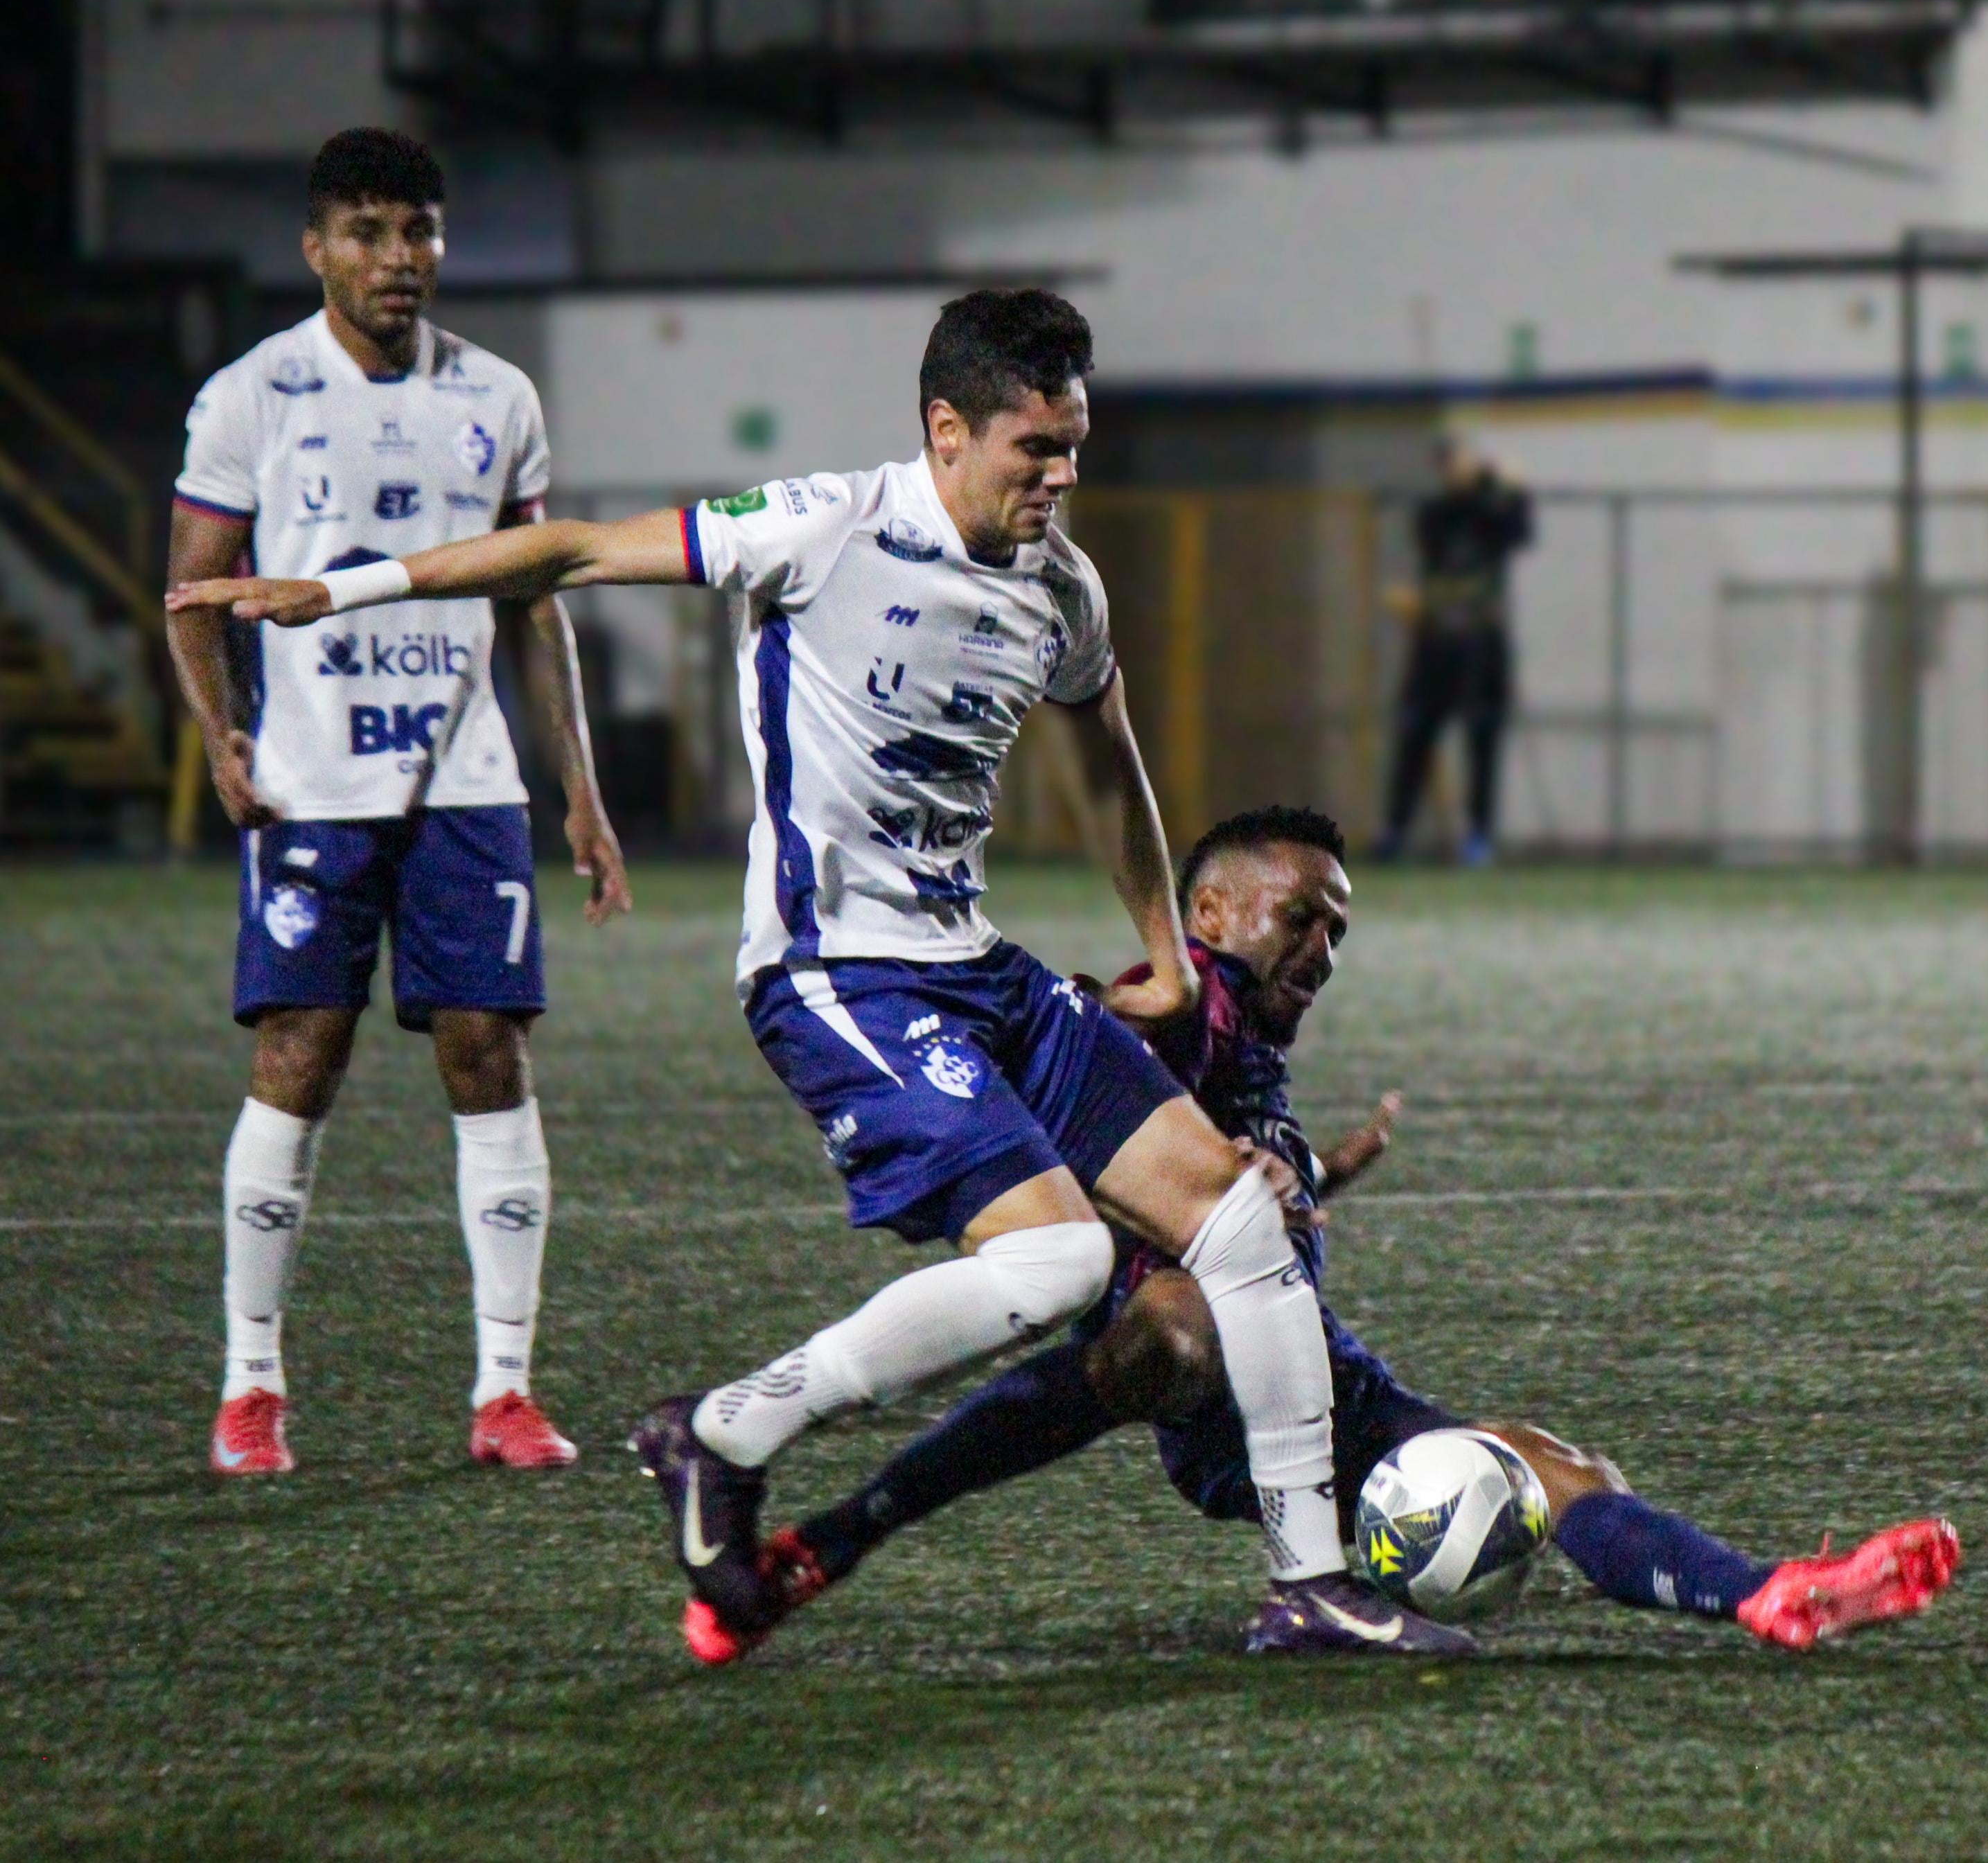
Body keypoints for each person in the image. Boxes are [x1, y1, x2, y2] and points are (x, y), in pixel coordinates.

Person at [171, 289, 1454, 1655]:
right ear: (947, 430)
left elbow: (1105, 751)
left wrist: (1162, 948)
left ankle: (1309, 1581)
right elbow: (570, 549)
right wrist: (343, 588)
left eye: (1075, 447)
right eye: (1035, 447)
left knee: (1239, 1223)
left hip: (973, 965)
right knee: (1063, 1260)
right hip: (836, 972)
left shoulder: (1061, 588)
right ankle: (731, 1425)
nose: (1061, 476)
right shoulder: (823, 526)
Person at [686, 805, 1961, 1663]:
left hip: (1310, 1367)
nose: (1325, 948)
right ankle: (829, 1533)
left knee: (1551, 1466)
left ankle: (1767, 1590)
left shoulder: (1253, 1043)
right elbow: (1083, 1071)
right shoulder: (1182, 1001)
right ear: (1212, 909)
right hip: (1194, 1361)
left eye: (1340, 929)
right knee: (1171, 1329)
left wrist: (1311, 1168)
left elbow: (1225, 1155)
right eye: (1303, 915)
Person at [165, 127, 630, 1477]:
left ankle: (506, 1391)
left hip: (466, 781)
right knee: (300, 1051)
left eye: (418, 228)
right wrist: (222, 734)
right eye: (367, 231)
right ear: (316, 247)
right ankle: (251, 1386)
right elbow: (193, 587)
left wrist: (579, 788)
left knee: (488, 1049)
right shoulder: (252, 394)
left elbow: (534, 603)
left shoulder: (499, 396)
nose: (398, 256)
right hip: (312, 782)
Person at [1379, 439, 1531, 866]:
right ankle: (1395, 830)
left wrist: (1507, 488)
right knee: (1416, 732)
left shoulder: (1493, 511)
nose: (1454, 471)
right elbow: (1435, 534)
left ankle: (1479, 835)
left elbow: (1517, 532)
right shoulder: (1437, 515)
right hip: (1437, 642)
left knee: (1482, 737)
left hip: (1481, 644)